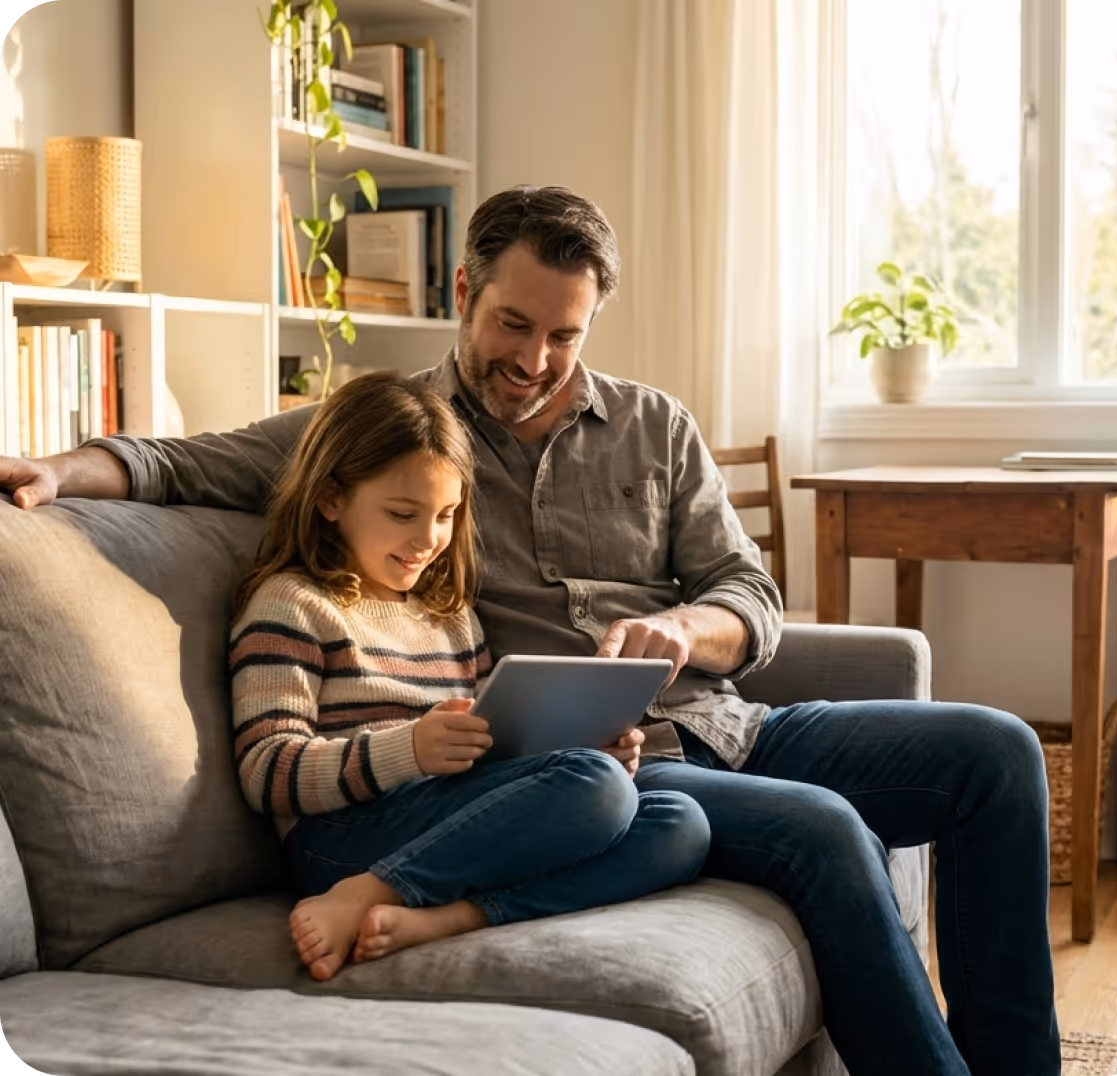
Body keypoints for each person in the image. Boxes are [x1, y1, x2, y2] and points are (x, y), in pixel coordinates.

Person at [0, 185, 1059, 1074]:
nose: (535, 358)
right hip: (576, 768)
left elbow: (749, 592)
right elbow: (185, 462)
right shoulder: (392, 438)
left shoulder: (654, 426)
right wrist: (56, 469)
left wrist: (685, 629)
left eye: (564, 333)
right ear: (465, 291)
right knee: (822, 826)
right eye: (514, 323)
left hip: (717, 722)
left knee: (994, 751)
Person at [226, 368, 710, 982]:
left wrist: (581, 748)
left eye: (446, 514)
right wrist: (410, 750)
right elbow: (266, 772)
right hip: (340, 840)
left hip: (449, 821)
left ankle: (456, 915)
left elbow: (490, 753)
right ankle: (365, 892)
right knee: (596, 787)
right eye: (403, 513)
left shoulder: (450, 616)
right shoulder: (292, 604)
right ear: (330, 498)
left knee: (679, 823)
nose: (427, 539)